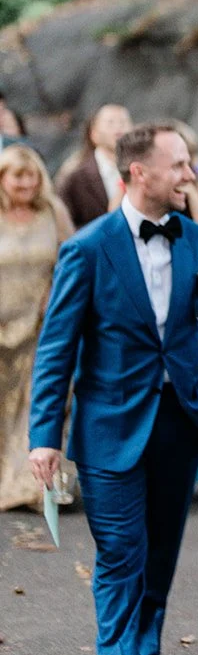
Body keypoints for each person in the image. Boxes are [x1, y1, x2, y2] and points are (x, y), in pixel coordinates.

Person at [27, 124, 198, 655]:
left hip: (180, 423)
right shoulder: (88, 249)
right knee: (121, 552)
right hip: (108, 425)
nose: (189, 174)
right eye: (177, 165)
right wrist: (46, 433)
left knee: (163, 546)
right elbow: (57, 347)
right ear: (139, 172)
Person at [0, 146, 73, 511]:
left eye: (31, 175)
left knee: (35, 406)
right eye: (17, 176)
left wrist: (54, 294)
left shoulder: (52, 213)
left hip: (39, 325)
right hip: (1, 325)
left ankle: (34, 488)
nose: (25, 183)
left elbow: (71, 260)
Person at [58, 104, 132, 229]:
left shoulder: (142, 171)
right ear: (94, 133)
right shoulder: (75, 176)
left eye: (123, 122)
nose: (119, 128)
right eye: (110, 123)